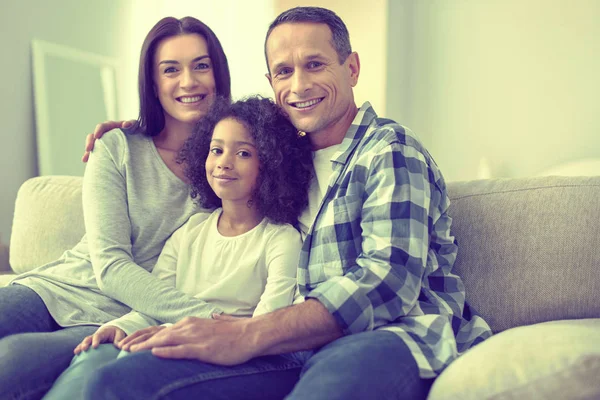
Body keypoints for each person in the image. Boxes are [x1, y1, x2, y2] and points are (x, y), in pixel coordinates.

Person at [79, 6, 493, 400]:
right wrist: (138, 130)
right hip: (290, 352)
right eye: (284, 71)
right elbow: (230, 142)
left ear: (351, 68)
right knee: (116, 380)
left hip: (391, 338)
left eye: (314, 64)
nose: (298, 86)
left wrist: (250, 333)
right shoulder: (283, 160)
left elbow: (388, 281)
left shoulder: (389, 151)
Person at [0, 16, 231, 400]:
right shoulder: (117, 147)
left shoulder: (234, 162)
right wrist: (211, 318)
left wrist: (225, 324)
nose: (188, 81)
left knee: (10, 365)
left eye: (201, 65)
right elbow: (109, 265)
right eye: (170, 69)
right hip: (57, 288)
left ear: (218, 73)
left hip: (120, 316)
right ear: (153, 82)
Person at [43, 96, 313, 399]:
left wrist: (187, 332)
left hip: (241, 357)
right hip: (177, 340)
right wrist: (120, 326)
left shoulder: (281, 240)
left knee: (124, 373)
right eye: (216, 150)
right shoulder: (190, 232)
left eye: (243, 153)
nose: (224, 161)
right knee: (99, 362)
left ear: (272, 164)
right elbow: (154, 307)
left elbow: (265, 329)